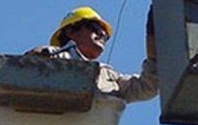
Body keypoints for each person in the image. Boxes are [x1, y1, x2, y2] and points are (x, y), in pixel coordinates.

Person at [27, 6, 158, 102]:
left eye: (105, 36)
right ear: (70, 31)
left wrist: (153, 39)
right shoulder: (52, 58)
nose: (102, 35)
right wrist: (39, 57)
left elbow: (147, 87)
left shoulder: (107, 75)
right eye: (95, 28)